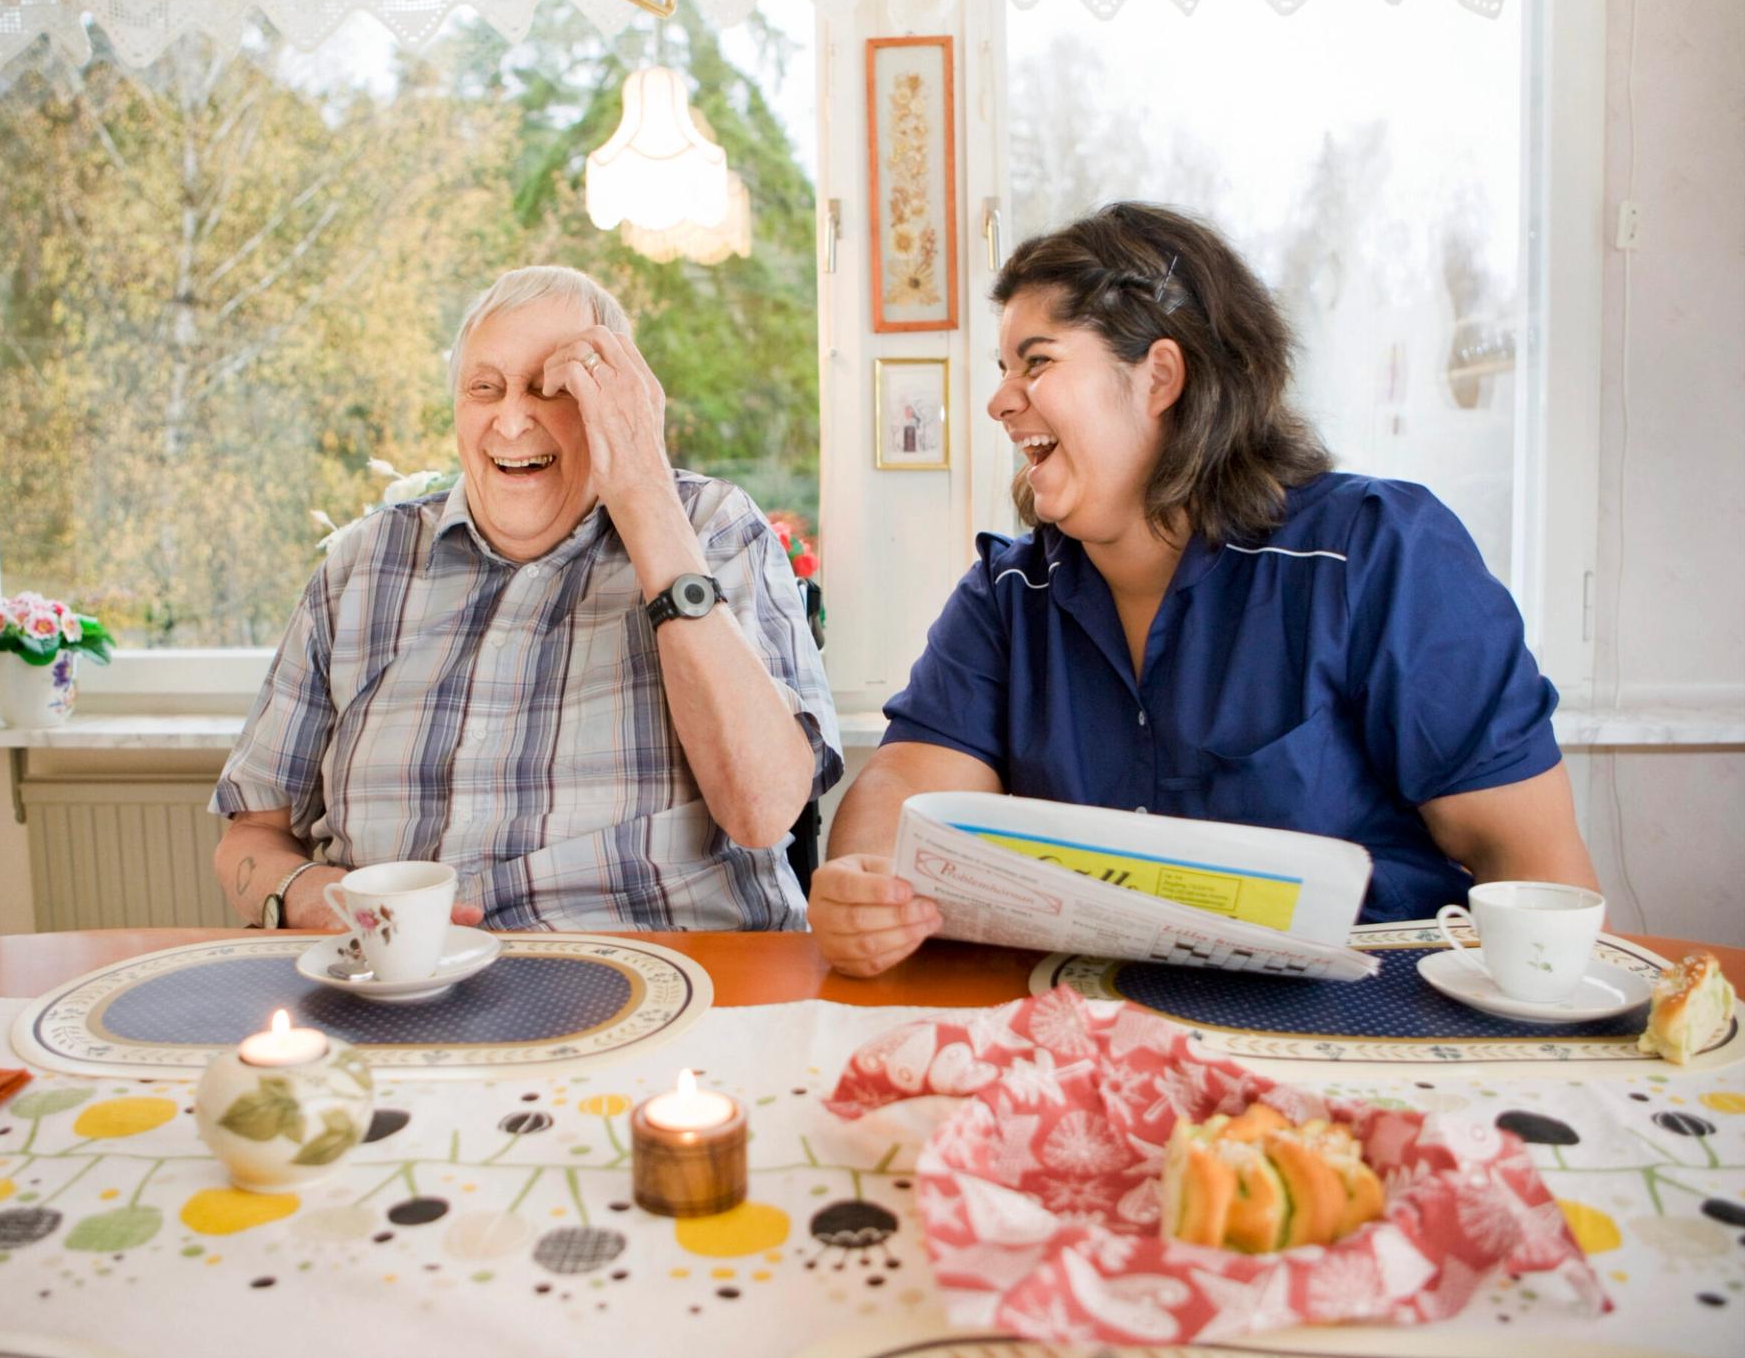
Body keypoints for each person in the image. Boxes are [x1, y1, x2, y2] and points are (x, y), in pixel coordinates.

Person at [808, 202, 1597, 976]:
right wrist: (866, 885)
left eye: (1037, 361)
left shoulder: (1378, 555)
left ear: (1159, 377)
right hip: (1093, 1027)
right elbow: (906, 786)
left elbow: (1536, 869)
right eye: (1003, 369)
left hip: (1364, 1027)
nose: (1000, 400)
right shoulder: (1008, 592)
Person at [211, 266, 841, 932]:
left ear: (617, 403)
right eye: (485, 389)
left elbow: (763, 810)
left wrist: (643, 493)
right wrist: (314, 897)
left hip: (662, 968)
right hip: (404, 976)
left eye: (552, 389)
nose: (511, 421)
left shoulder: (712, 526)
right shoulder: (361, 567)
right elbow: (252, 833)